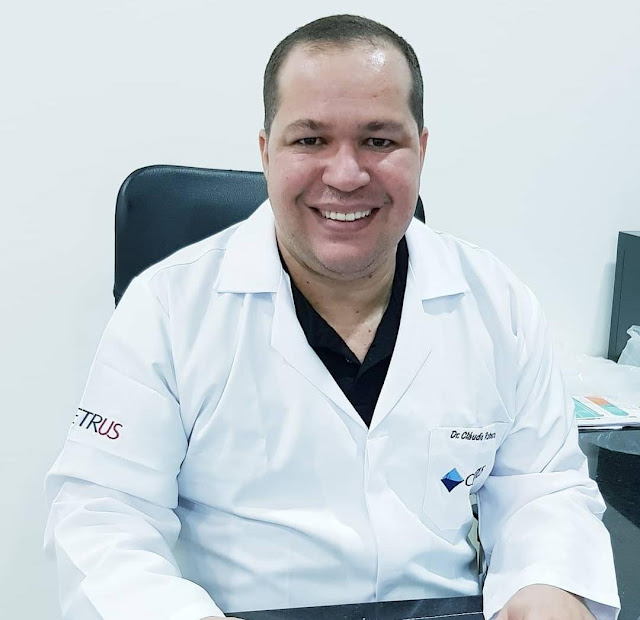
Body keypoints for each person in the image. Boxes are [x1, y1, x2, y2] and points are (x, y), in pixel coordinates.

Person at [45, 14, 620, 620]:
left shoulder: (498, 304)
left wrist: (547, 585)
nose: (345, 175)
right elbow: (103, 517)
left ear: (421, 150)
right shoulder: (167, 310)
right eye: (310, 140)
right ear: (267, 152)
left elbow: (542, 489)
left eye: (379, 140)